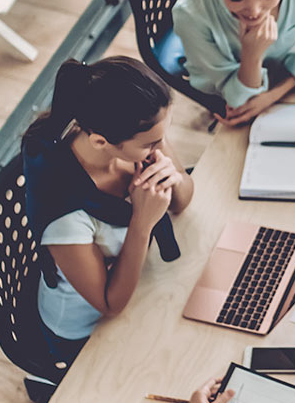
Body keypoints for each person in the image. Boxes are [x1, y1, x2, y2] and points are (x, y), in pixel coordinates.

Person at [18, 56, 195, 397]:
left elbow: (183, 199)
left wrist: (172, 174)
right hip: (87, 329)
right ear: (101, 141)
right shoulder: (66, 215)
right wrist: (142, 222)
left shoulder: (140, 133)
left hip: (139, 281)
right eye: (152, 144)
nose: (161, 148)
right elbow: (109, 303)